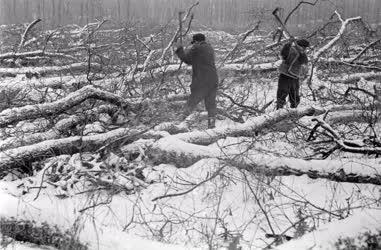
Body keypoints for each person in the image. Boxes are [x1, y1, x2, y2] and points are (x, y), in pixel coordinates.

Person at [175, 33, 219, 129]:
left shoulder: (197, 48)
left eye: (193, 43)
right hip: (213, 80)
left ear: (196, 41)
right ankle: (212, 125)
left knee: (191, 103)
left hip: (202, 82)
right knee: (211, 104)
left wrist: (179, 51)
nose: (193, 45)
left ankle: (179, 123)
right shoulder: (209, 48)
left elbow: (187, 60)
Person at [276, 38, 310, 109]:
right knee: (282, 94)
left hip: (295, 77)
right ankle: (279, 111)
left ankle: (294, 111)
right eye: (304, 47)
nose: (305, 49)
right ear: (301, 45)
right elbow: (283, 55)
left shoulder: (302, 53)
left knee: (294, 96)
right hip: (285, 75)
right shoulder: (290, 49)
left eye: (305, 48)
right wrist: (288, 44)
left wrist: (301, 52)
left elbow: (304, 61)